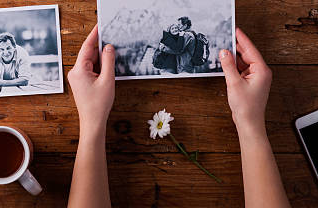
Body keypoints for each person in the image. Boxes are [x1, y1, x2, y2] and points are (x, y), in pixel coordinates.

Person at [67, 26, 290, 208]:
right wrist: (250, 123)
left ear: (184, 26)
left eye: (178, 26)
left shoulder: (187, 37)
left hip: (183, 67)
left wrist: (91, 121)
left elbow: (176, 50)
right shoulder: (185, 37)